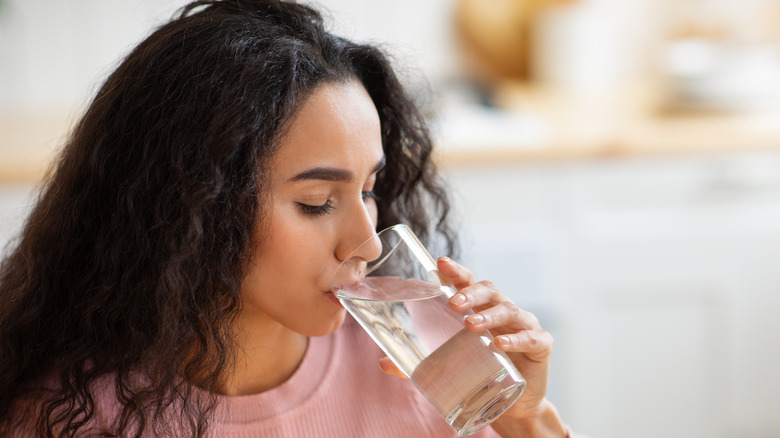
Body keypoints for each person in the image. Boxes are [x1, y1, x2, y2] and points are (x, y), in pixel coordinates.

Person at [0, 1, 573, 436]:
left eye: (369, 190)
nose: (369, 245)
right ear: (193, 206)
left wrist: (525, 422)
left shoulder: (429, 366)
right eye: (317, 201)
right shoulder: (68, 416)